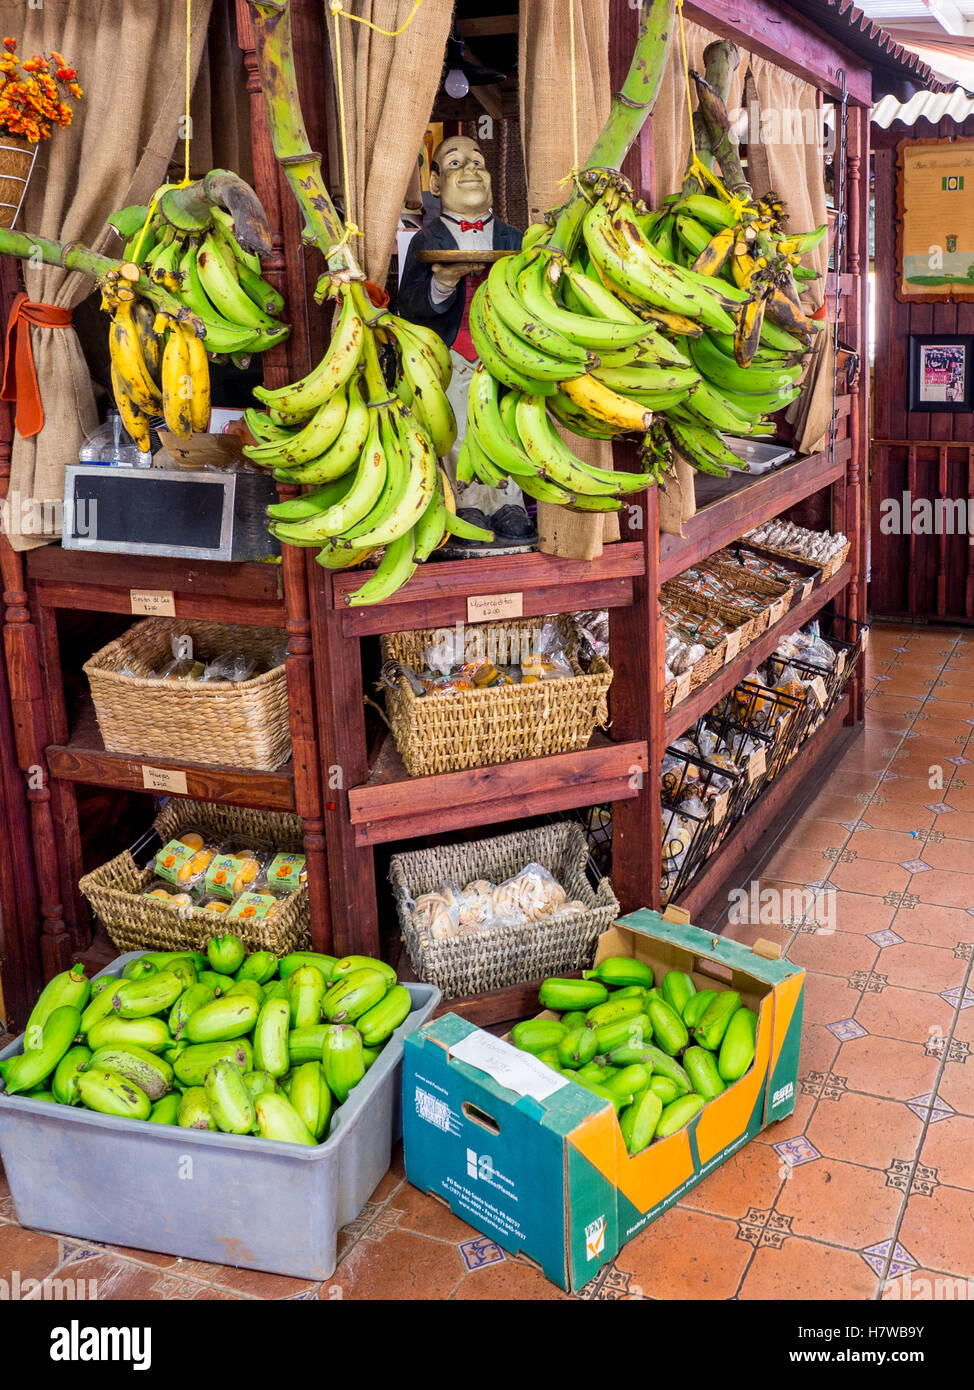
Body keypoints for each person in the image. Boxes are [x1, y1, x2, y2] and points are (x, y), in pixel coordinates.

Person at [397, 134, 533, 540]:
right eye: (455, 163)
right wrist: (443, 284)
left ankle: (508, 504)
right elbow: (410, 307)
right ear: (436, 184)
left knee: (506, 426)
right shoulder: (427, 240)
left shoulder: (512, 238)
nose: (470, 168)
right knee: (455, 428)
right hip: (453, 352)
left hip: (501, 352)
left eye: (477, 161)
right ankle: (466, 504)